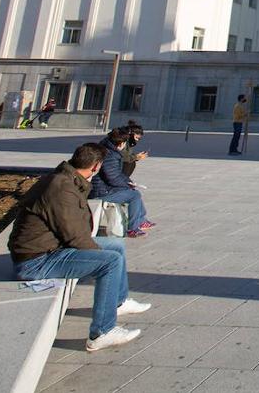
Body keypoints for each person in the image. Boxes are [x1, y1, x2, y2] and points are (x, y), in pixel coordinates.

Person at [8, 143, 151, 351]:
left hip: (50, 247)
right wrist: (97, 258)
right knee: (110, 262)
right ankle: (102, 332)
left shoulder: (65, 179)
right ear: (96, 166)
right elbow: (75, 236)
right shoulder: (61, 189)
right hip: (37, 261)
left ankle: (118, 302)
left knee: (116, 245)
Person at [89, 128, 154, 237]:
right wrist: (127, 184)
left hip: (104, 187)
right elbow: (112, 177)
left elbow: (116, 174)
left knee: (133, 191)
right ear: (121, 143)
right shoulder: (109, 155)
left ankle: (141, 221)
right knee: (134, 195)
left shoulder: (107, 149)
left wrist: (129, 182)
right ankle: (133, 228)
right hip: (101, 191)